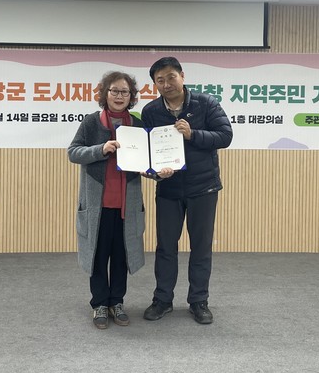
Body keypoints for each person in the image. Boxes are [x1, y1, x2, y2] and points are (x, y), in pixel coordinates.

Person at [141, 57, 233, 324]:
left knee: (201, 247)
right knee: (165, 247)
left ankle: (199, 301)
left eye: (171, 77)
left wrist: (193, 134)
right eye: (160, 80)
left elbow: (225, 136)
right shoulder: (151, 111)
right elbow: (148, 152)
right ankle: (162, 300)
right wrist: (153, 172)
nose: (166, 84)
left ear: (182, 76)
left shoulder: (206, 103)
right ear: (155, 84)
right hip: (168, 189)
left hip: (203, 188)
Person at [67, 71, 146, 329]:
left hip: (126, 205)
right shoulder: (92, 122)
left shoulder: (137, 125)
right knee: (98, 256)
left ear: (131, 96)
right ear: (105, 93)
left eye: (125, 92)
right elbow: (73, 152)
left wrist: (158, 171)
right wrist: (100, 149)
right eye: (115, 91)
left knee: (122, 257)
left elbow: (148, 161)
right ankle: (100, 303)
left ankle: (117, 302)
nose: (119, 96)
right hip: (97, 206)